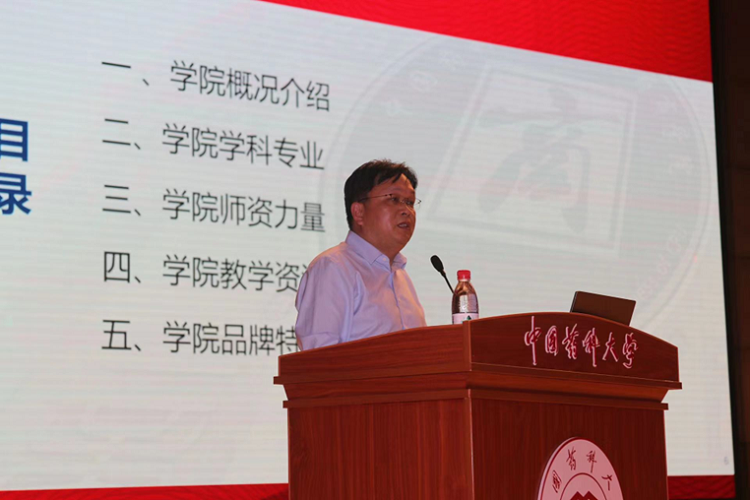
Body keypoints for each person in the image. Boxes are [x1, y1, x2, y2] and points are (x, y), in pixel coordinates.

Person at [294, 159, 427, 350]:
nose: (406, 211)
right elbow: (319, 356)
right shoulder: (334, 268)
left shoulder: (401, 276)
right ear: (358, 212)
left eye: (410, 202)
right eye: (393, 199)